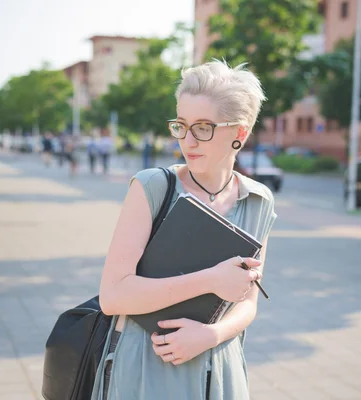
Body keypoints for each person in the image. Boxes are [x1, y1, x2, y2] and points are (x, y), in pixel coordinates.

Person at [91, 60, 277, 400]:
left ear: (240, 133)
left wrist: (212, 335)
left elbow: (248, 303)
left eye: (203, 127)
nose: (187, 140)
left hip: (220, 370)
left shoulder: (258, 200)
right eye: (181, 125)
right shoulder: (152, 187)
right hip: (147, 368)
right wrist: (210, 279)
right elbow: (112, 296)